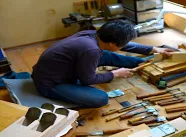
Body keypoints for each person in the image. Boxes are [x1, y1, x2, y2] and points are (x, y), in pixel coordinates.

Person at [32, 20, 173, 107]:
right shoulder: (91, 50)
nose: (123, 46)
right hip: (50, 84)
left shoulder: (93, 35)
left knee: (107, 54)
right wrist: (114, 74)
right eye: (120, 44)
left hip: (60, 69)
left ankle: (144, 63)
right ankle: (130, 66)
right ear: (112, 42)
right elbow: (88, 80)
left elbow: (124, 45)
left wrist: (153, 49)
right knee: (101, 98)